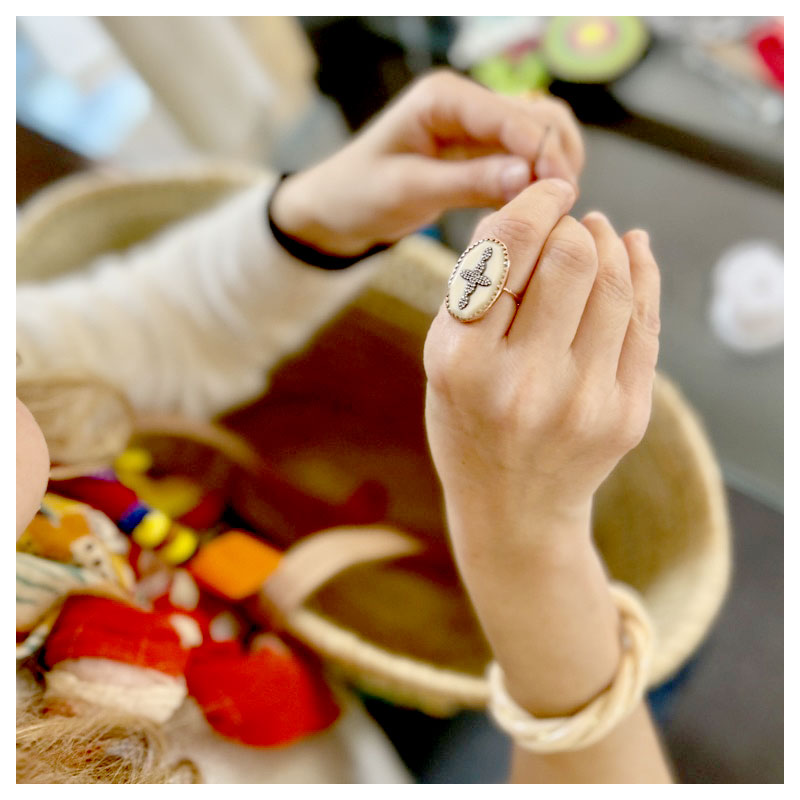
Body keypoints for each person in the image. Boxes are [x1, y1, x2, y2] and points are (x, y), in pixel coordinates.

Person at [16, 69, 671, 782]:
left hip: (287, 634)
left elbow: (132, 335)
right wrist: (527, 543)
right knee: (664, 666)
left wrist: (316, 222)